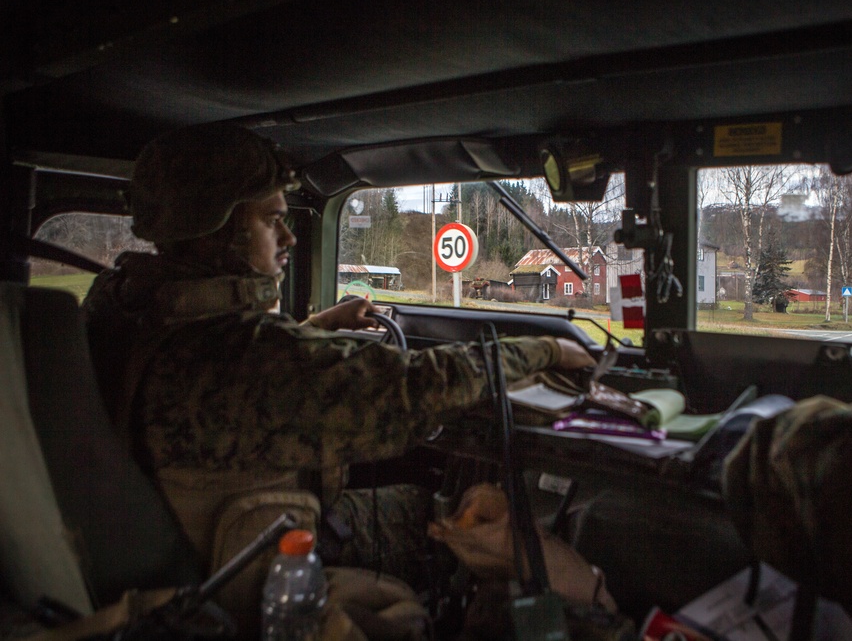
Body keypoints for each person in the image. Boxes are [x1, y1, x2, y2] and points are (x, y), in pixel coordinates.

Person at [81, 123, 596, 597]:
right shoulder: (250, 357)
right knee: (437, 514)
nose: (288, 239)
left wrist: (313, 329)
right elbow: (418, 387)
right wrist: (548, 350)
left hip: (170, 541)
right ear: (218, 230)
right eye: (271, 220)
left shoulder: (126, 312)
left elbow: (232, 380)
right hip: (243, 564)